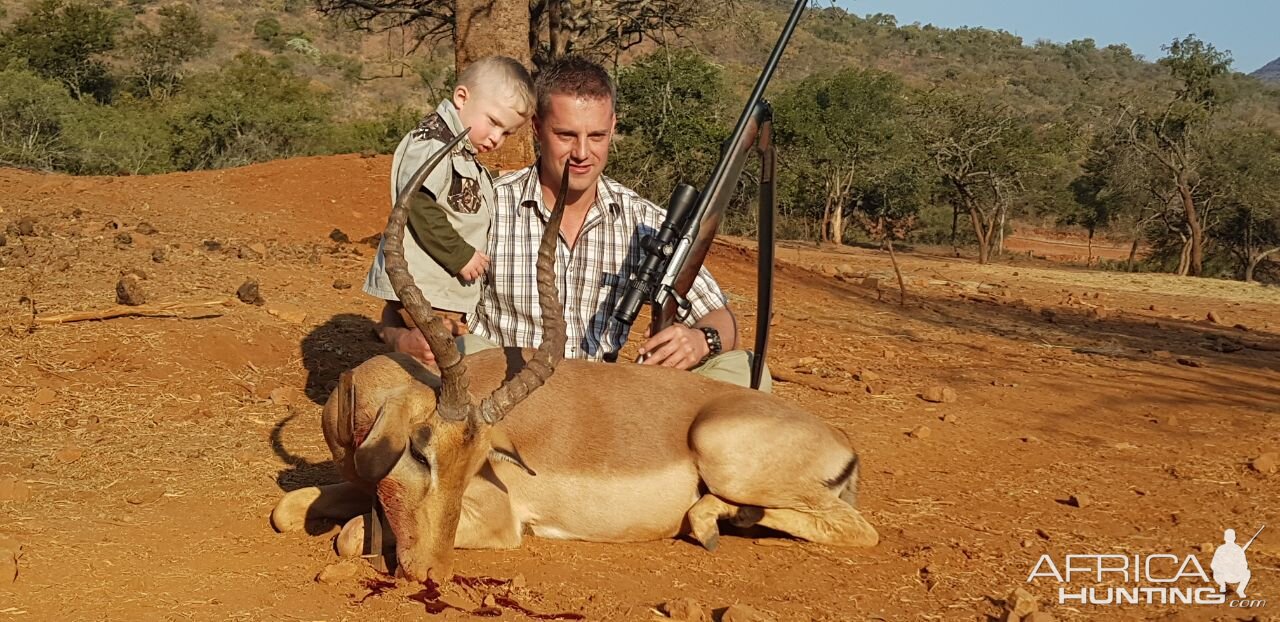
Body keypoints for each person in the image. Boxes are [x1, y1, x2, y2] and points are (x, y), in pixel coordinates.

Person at [384, 56, 769, 392]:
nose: (582, 153)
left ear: (613, 127)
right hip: (504, 400)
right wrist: (401, 338)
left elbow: (722, 318)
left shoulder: (645, 221)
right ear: (537, 128)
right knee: (463, 356)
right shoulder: (485, 204)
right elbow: (400, 306)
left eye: (597, 135)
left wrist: (701, 341)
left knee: (747, 370)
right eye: (566, 135)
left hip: (600, 404)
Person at [364, 55, 535, 349]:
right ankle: (396, 338)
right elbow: (416, 201)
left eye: (506, 132)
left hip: (433, 287)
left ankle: (392, 331)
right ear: (461, 97)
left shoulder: (459, 149)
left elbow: (453, 191)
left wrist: (494, 177)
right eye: (493, 122)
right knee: (438, 349)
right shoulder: (431, 141)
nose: (497, 138)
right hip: (427, 286)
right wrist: (460, 255)